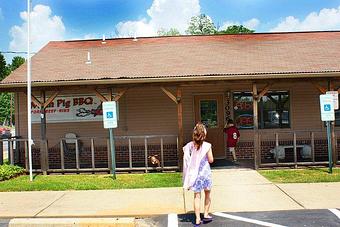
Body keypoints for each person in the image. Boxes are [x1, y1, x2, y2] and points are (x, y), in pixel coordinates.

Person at [183, 122, 214, 226]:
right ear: (204, 134)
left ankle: (197, 219)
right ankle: (205, 215)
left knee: (197, 196)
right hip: (205, 174)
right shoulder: (207, 146)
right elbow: (211, 160)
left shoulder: (190, 145)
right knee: (207, 194)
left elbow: (186, 157)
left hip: (195, 175)